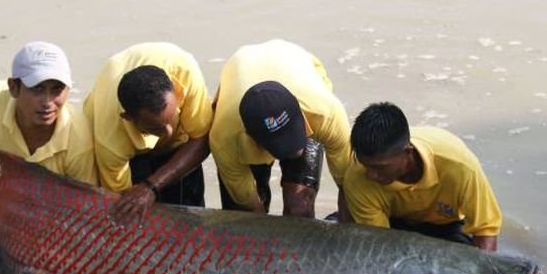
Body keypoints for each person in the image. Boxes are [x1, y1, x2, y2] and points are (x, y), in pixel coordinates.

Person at [0, 40, 97, 274]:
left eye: (57, 90)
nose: (48, 102)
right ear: (14, 87)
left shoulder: (79, 139)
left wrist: (42, 263)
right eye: (37, 89)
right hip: (11, 194)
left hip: (55, 210)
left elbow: (81, 217)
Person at [209, 39, 352, 218]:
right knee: (242, 216)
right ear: (253, 139)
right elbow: (251, 208)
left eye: (294, 135)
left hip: (289, 56)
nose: (296, 151)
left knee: (299, 209)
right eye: (281, 145)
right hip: (239, 68)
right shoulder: (225, 140)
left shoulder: (325, 113)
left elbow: (348, 184)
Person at [343, 101, 502, 252]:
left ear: (407, 153)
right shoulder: (357, 177)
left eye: (380, 168)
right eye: (365, 164)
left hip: (445, 227)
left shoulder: (460, 167)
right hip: (393, 224)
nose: (371, 175)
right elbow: (382, 245)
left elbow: (485, 231)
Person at [83, 42, 213, 222]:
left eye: (172, 119)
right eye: (156, 128)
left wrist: (152, 185)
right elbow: (123, 200)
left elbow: (201, 139)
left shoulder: (185, 73)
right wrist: (142, 190)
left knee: (189, 214)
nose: (167, 132)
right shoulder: (110, 140)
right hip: (131, 151)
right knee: (136, 212)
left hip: (181, 142)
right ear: (127, 117)